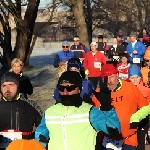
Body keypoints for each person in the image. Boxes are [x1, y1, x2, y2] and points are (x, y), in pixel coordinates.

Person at [35, 71, 121, 150]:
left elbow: (114, 130)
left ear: (79, 89)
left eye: (70, 88)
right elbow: (40, 137)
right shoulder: (50, 112)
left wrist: (107, 107)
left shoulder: (90, 112)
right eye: (61, 88)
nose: (65, 92)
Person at [92, 64, 150, 150]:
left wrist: (137, 117)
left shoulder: (131, 88)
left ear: (117, 75)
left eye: (111, 77)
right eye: (105, 78)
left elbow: (146, 107)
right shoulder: (98, 93)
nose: (109, 81)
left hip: (128, 140)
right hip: (106, 141)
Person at [0, 72, 42, 149]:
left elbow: (43, 127)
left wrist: (33, 138)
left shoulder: (31, 105)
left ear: (18, 86)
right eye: (4, 86)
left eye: (11, 85)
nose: (7, 89)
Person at [128, 64, 150, 150]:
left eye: (137, 77)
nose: (135, 80)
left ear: (140, 77)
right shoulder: (126, 88)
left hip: (142, 119)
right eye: (132, 78)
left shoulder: (147, 89)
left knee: (141, 142)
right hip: (130, 118)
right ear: (129, 78)